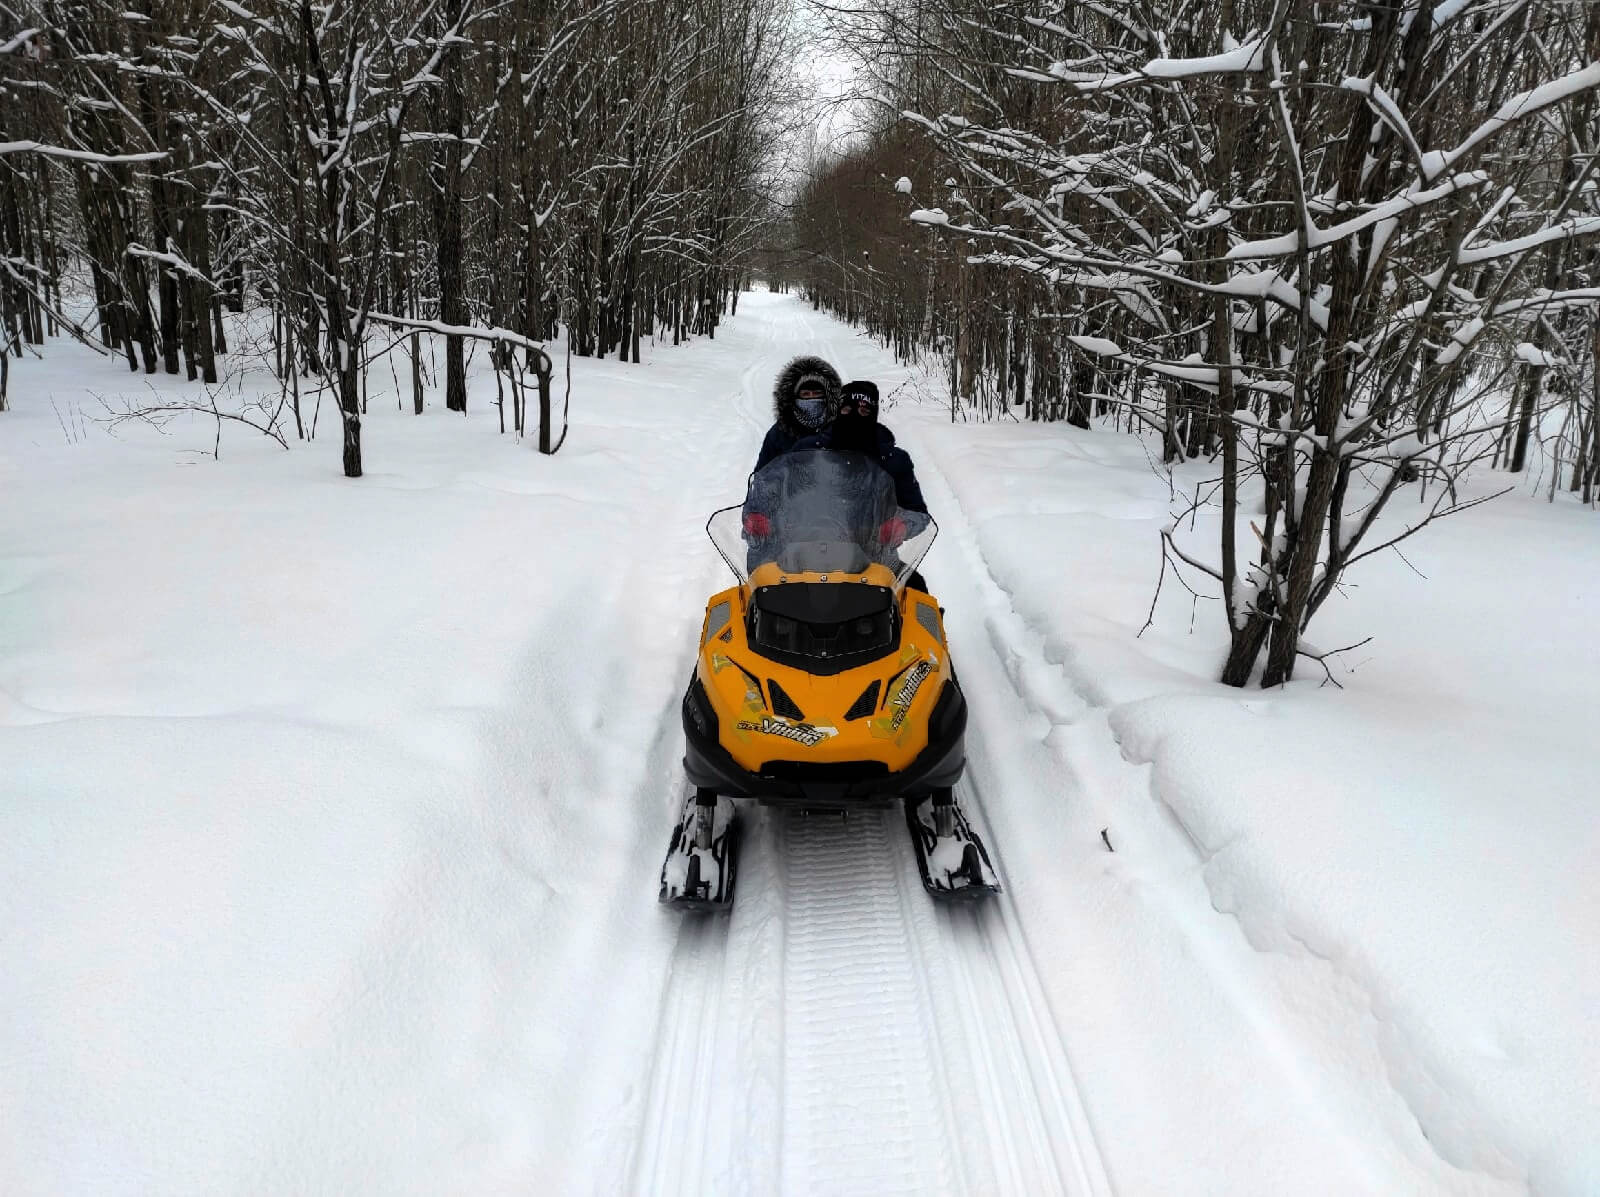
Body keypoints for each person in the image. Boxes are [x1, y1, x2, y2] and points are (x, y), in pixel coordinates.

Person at [753, 355, 842, 474]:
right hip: (789, 492)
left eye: (817, 393)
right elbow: (762, 476)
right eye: (806, 394)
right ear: (794, 398)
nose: (812, 398)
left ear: (828, 397)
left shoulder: (840, 429)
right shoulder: (779, 433)